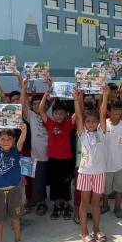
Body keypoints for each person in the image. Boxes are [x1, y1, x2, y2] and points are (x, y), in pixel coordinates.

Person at [73, 86, 109, 242]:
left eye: (94, 121)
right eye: (88, 121)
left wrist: (105, 95)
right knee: (84, 203)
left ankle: (96, 229)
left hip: (100, 173)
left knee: (96, 203)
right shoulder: (82, 133)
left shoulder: (102, 132)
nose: (92, 123)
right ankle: (84, 232)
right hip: (85, 172)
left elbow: (102, 113)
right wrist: (76, 98)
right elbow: (79, 116)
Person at [39, 81, 76, 220]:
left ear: (66, 114)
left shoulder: (68, 125)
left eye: (62, 113)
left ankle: (66, 206)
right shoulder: (50, 123)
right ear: (53, 114)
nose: (59, 116)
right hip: (53, 159)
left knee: (65, 184)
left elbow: (77, 114)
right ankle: (56, 206)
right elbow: (41, 110)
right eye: (56, 113)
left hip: (66, 160)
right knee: (54, 184)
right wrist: (46, 94)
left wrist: (77, 98)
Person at [21, 77, 51, 216]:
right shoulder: (31, 116)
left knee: (43, 180)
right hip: (34, 154)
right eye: (35, 104)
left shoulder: (50, 115)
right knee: (33, 180)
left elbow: (52, 97)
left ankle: (42, 202)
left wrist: (49, 86)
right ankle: (34, 201)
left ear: (45, 105)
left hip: (49, 155)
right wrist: (24, 87)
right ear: (31, 107)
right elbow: (23, 103)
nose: (38, 106)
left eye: (41, 104)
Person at [100, 98, 122, 218]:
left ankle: (118, 208)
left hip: (120, 164)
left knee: (119, 188)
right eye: (115, 111)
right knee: (106, 189)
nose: (118, 114)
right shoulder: (103, 124)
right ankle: (105, 205)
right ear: (109, 111)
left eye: (120, 111)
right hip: (106, 164)